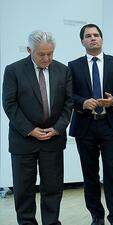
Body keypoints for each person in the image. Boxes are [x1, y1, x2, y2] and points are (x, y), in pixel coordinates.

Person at [2, 30, 73, 225]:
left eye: (50, 53)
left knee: (53, 187)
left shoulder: (63, 70)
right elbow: (10, 104)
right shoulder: (13, 70)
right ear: (29, 50)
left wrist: (58, 128)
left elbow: (69, 103)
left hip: (53, 139)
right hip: (23, 140)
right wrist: (29, 129)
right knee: (24, 189)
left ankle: (51, 222)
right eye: (41, 54)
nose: (47, 58)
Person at [68, 24, 113, 225]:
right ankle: (96, 216)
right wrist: (82, 102)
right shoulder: (73, 66)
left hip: (110, 124)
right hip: (85, 126)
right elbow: (68, 95)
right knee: (90, 174)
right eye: (88, 36)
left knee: (112, 172)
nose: (93, 38)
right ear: (82, 42)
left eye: (96, 35)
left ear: (102, 39)